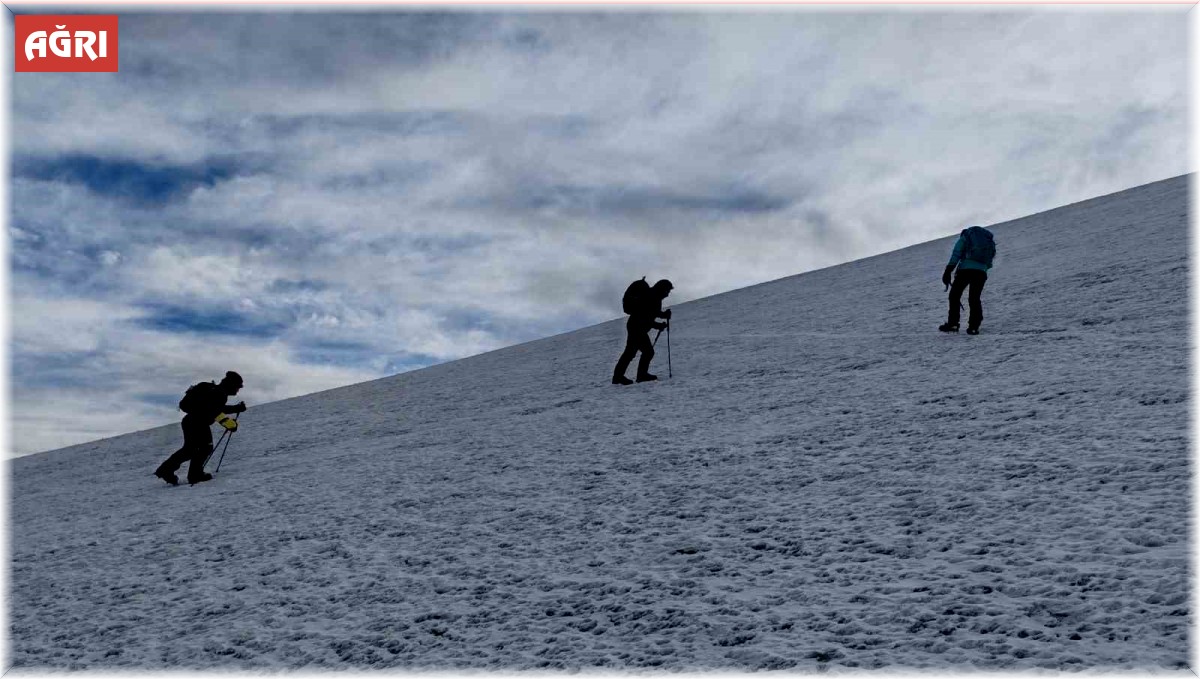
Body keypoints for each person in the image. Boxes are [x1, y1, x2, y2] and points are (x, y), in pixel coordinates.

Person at [154, 371, 247, 485]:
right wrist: (231, 421)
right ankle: (195, 475)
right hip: (198, 423)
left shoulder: (214, 390)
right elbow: (215, 411)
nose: (238, 390)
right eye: (238, 387)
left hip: (189, 421)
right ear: (231, 385)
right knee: (205, 448)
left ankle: (166, 470)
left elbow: (215, 409)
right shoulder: (220, 394)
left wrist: (233, 414)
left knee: (189, 450)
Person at [613, 279, 673, 385]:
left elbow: (653, 313)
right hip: (636, 327)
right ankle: (639, 375)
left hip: (636, 327)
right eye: (667, 291)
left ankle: (620, 376)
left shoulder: (654, 297)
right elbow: (645, 317)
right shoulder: (651, 297)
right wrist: (658, 325)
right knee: (646, 352)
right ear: (662, 289)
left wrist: (663, 315)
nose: (667, 294)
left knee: (631, 352)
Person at [940, 225, 995, 335]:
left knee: (954, 296)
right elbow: (990, 258)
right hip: (981, 272)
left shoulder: (965, 236)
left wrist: (948, 271)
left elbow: (956, 253)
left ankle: (953, 324)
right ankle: (974, 326)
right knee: (974, 298)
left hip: (966, 270)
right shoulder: (988, 240)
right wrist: (983, 269)